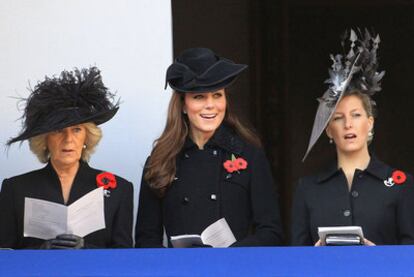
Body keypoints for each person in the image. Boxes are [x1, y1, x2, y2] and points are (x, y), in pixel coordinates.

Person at [135, 47, 283, 247]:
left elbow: (271, 232)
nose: (210, 105)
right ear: (183, 105)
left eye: (217, 95)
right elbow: (146, 240)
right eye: (199, 97)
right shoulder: (159, 160)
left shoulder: (250, 156)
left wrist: (229, 255)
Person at [291, 29, 414, 246]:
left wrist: (380, 257)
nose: (348, 124)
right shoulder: (307, 189)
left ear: (370, 123)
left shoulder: (401, 185)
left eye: (356, 115)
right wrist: (312, 256)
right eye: (338, 118)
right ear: (328, 130)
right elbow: (295, 257)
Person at [0, 67, 133, 249]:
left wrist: (86, 249)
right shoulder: (15, 189)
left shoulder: (120, 189)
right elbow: (4, 256)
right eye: (58, 130)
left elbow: (124, 259)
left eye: (77, 130)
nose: (68, 139)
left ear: (87, 137)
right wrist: (39, 251)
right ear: (44, 140)